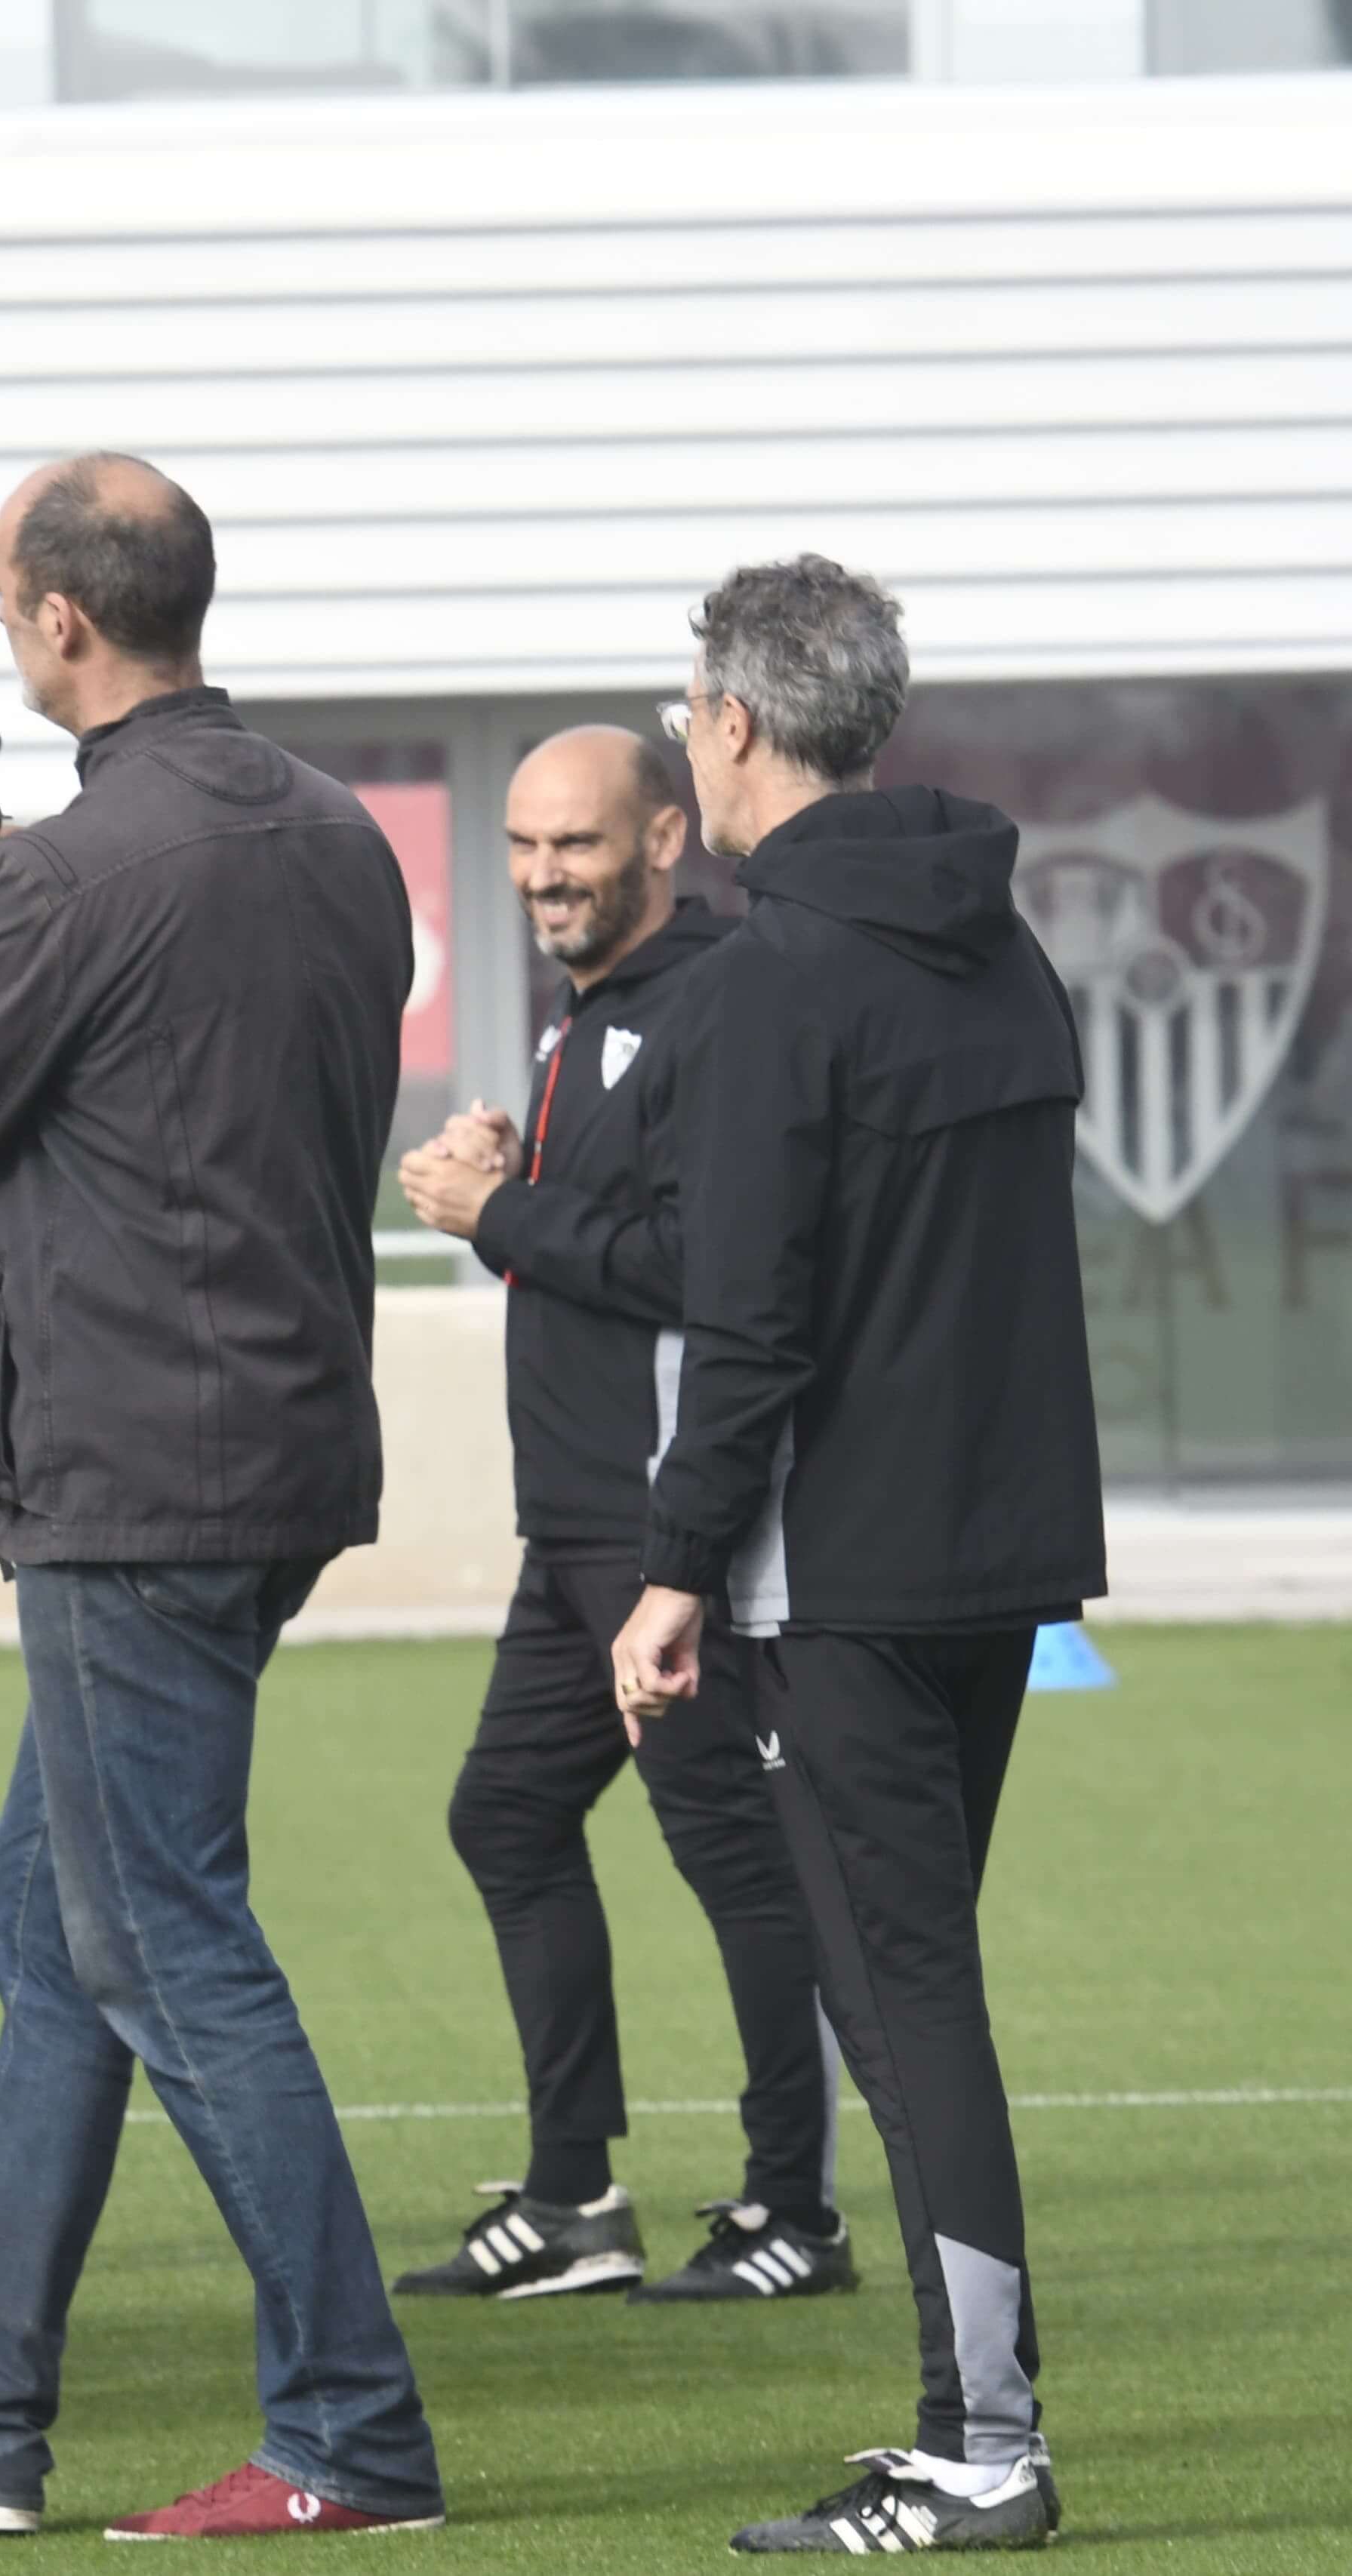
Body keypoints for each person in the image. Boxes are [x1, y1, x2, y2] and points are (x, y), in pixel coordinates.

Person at [0, 456, 448, 2542]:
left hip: (134, 1468)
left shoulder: (80, 868)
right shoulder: (340, 837)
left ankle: (350, 2430)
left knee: (159, 1936)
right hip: (267, 1449)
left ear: (56, 619)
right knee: (56, 1925)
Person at [612, 557, 1102, 2557]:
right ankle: (965, 2423)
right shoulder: (1005, 949)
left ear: (731, 723)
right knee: (908, 1990)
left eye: (683, 710)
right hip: (990, 1562)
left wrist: (668, 1569)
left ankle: (985, 2445)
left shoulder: (764, 980)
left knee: (906, 2001)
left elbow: (755, 1321)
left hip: (850, 1579)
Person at [387, 727, 850, 2310]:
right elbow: (620, 1235)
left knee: (736, 1861)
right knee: (504, 1817)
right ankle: (576, 2197)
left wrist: (499, 1214)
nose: (539, 875)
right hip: (570, 1522)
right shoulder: (593, 1015)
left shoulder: (715, 1002)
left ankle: (797, 2208)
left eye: (573, 843)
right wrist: (504, 1181)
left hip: (658, 1534)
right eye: (520, 845)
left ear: (665, 836)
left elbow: (707, 1272)